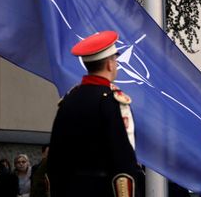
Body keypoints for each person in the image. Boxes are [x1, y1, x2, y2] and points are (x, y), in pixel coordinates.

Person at [47, 31, 144, 197]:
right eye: (115, 59)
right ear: (110, 64)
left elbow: (54, 160)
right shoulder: (113, 102)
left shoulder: (68, 100)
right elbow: (123, 163)